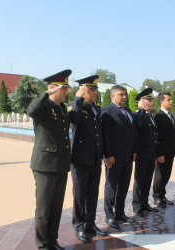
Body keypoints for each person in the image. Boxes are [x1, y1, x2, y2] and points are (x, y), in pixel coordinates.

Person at [26, 69, 72, 250]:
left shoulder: (61, 107)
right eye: (63, 89)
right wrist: (47, 93)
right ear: (53, 88)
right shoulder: (43, 107)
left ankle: (52, 241)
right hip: (45, 165)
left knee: (56, 208)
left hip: (61, 164)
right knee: (44, 210)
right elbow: (31, 110)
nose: (66, 92)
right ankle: (43, 245)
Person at [67, 75, 107, 243]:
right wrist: (77, 98)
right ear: (83, 90)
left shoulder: (95, 108)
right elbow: (74, 119)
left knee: (92, 193)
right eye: (91, 90)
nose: (95, 92)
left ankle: (90, 223)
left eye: (95, 90)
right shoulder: (73, 106)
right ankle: (79, 225)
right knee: (80, 194)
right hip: (80, 159)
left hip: (94, 158)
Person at [102, 85, 136, 229]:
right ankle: (109, 215)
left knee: (123, 186)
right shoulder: (107, 111)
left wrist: (133, 150)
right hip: (114, 157)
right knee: (111, 186)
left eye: (125, 94)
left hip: (127, 156)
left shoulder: (127, 110)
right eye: (121, 94)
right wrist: (108, 155)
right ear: (112, 96)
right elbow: (105, 136)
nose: (124, 97)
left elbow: (132, 133)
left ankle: (120, 213)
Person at [132, 88, 159, 218]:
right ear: (142, 101)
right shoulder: (138, 114)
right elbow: (138, 125)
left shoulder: (150, 116)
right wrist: (142, 110)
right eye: (149, 100)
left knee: (148, 180)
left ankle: (144, 203)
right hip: (142, 154)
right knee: (139, 181)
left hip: (151, 153)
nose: (151, 102)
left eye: (151, 100)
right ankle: (137, 206)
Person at [153, 92, 175, 208]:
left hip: (170, 152)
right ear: (162, 102)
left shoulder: (170, 115)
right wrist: (159, 153)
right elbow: (157, 137)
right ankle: (157, 197)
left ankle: (162, 195)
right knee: (159, 175)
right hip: (162, 152)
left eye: (171, 99)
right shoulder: (158, 116)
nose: (171, 101)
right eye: (168, 100)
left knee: (166, 175)